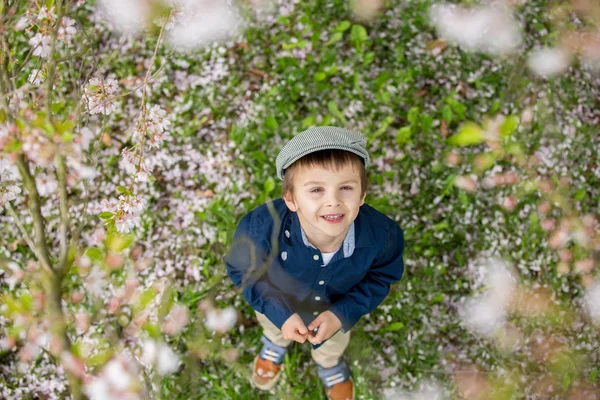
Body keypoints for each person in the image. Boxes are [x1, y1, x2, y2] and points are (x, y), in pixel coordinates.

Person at [224, 126, 405, 400]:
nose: (333, 201)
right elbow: (244, 270)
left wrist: (342, 313)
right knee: (274, 327)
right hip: (276, 301)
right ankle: (274, 344)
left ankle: (329, 363)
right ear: (291, 199)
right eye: (317, 190)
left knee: (332, 342)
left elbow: (381, 276)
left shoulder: (383, 236)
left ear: (362, 196)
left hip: (336, 304)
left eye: (346, 188)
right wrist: (279, 313)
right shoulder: (261, 228)